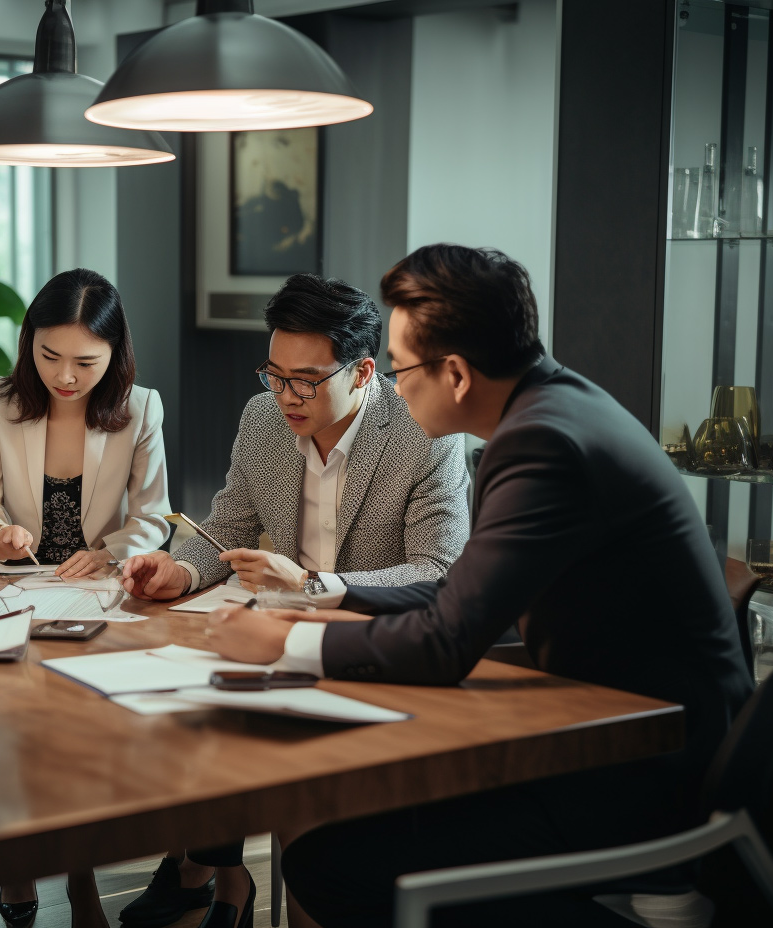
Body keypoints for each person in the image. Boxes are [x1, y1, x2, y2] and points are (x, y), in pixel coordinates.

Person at [204, 244, 754, 928]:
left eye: (401, 371)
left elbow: (447, 641)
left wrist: (286, 644)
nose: (395, 391)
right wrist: (328, 597)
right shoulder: (557, 411)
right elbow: (460, 593)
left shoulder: (542, 446)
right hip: (618, 735)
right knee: (349, 824)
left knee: (331, 863)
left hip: (643, 777)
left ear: (456, 373)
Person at [118, 273, 470, 928]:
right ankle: (209, 875)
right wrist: (180, 572)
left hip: (372, 651)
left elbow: (439, 571)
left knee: (273, 768)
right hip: (276, 643)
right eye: (273, 375)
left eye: (305, 380)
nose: (285, 396)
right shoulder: (263, 420)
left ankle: (204, 875)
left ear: (364, 372)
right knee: (186, 714)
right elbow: (224, 529)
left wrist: (315, 587)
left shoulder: (426, 434)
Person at [0, 267, 171, 928]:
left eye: (86, 361)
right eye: (48, 356)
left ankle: (81, 882)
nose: (66, 376)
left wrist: (110, 551)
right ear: (28, 345)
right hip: (13, 593)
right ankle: (17, 871)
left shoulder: (141, 408)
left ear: (115, 355)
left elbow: (155, 518)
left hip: (97, 597)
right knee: (7, 734)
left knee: (82, 744)